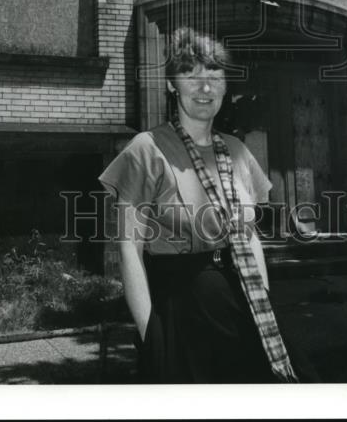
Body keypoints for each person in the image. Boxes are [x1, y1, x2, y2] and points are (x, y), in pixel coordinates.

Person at [98, 27, 298, 383]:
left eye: (214, 75)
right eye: (190, 74)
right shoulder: (147, 149)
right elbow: (128, 246)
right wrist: (151, 337)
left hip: (243, 306)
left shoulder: (237, 151)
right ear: (172, 84)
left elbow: (249, 238)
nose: (204, 87)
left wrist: (264, 300)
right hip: (180, 314)